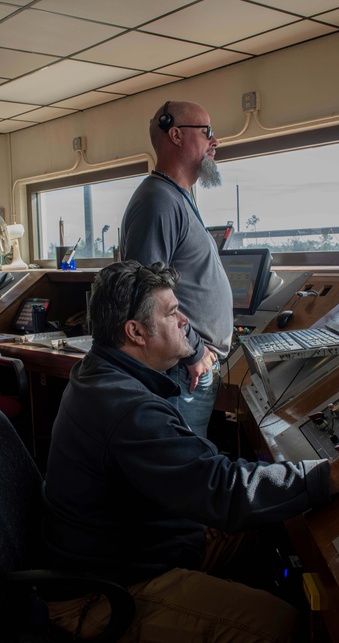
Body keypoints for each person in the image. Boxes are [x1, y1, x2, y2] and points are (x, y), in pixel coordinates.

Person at [43, 260, 339, 642]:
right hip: (103, 592)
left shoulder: (101, 373)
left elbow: (204, 476)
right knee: (281, 625)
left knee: (265, 529)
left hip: (136, 546)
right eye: (172, 313)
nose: (185, 320)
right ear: (135, 332)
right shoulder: (127, 409)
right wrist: (334, 472)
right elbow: (221, 489)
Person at [120, 100, 231, 438]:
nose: (215, 142)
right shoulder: (159, 201)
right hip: (182, 370)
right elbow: (147, 294)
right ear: (177, 135)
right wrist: (195, 351)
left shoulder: (178, 198)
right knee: (179, 479)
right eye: (207, 132)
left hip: (190, 366)